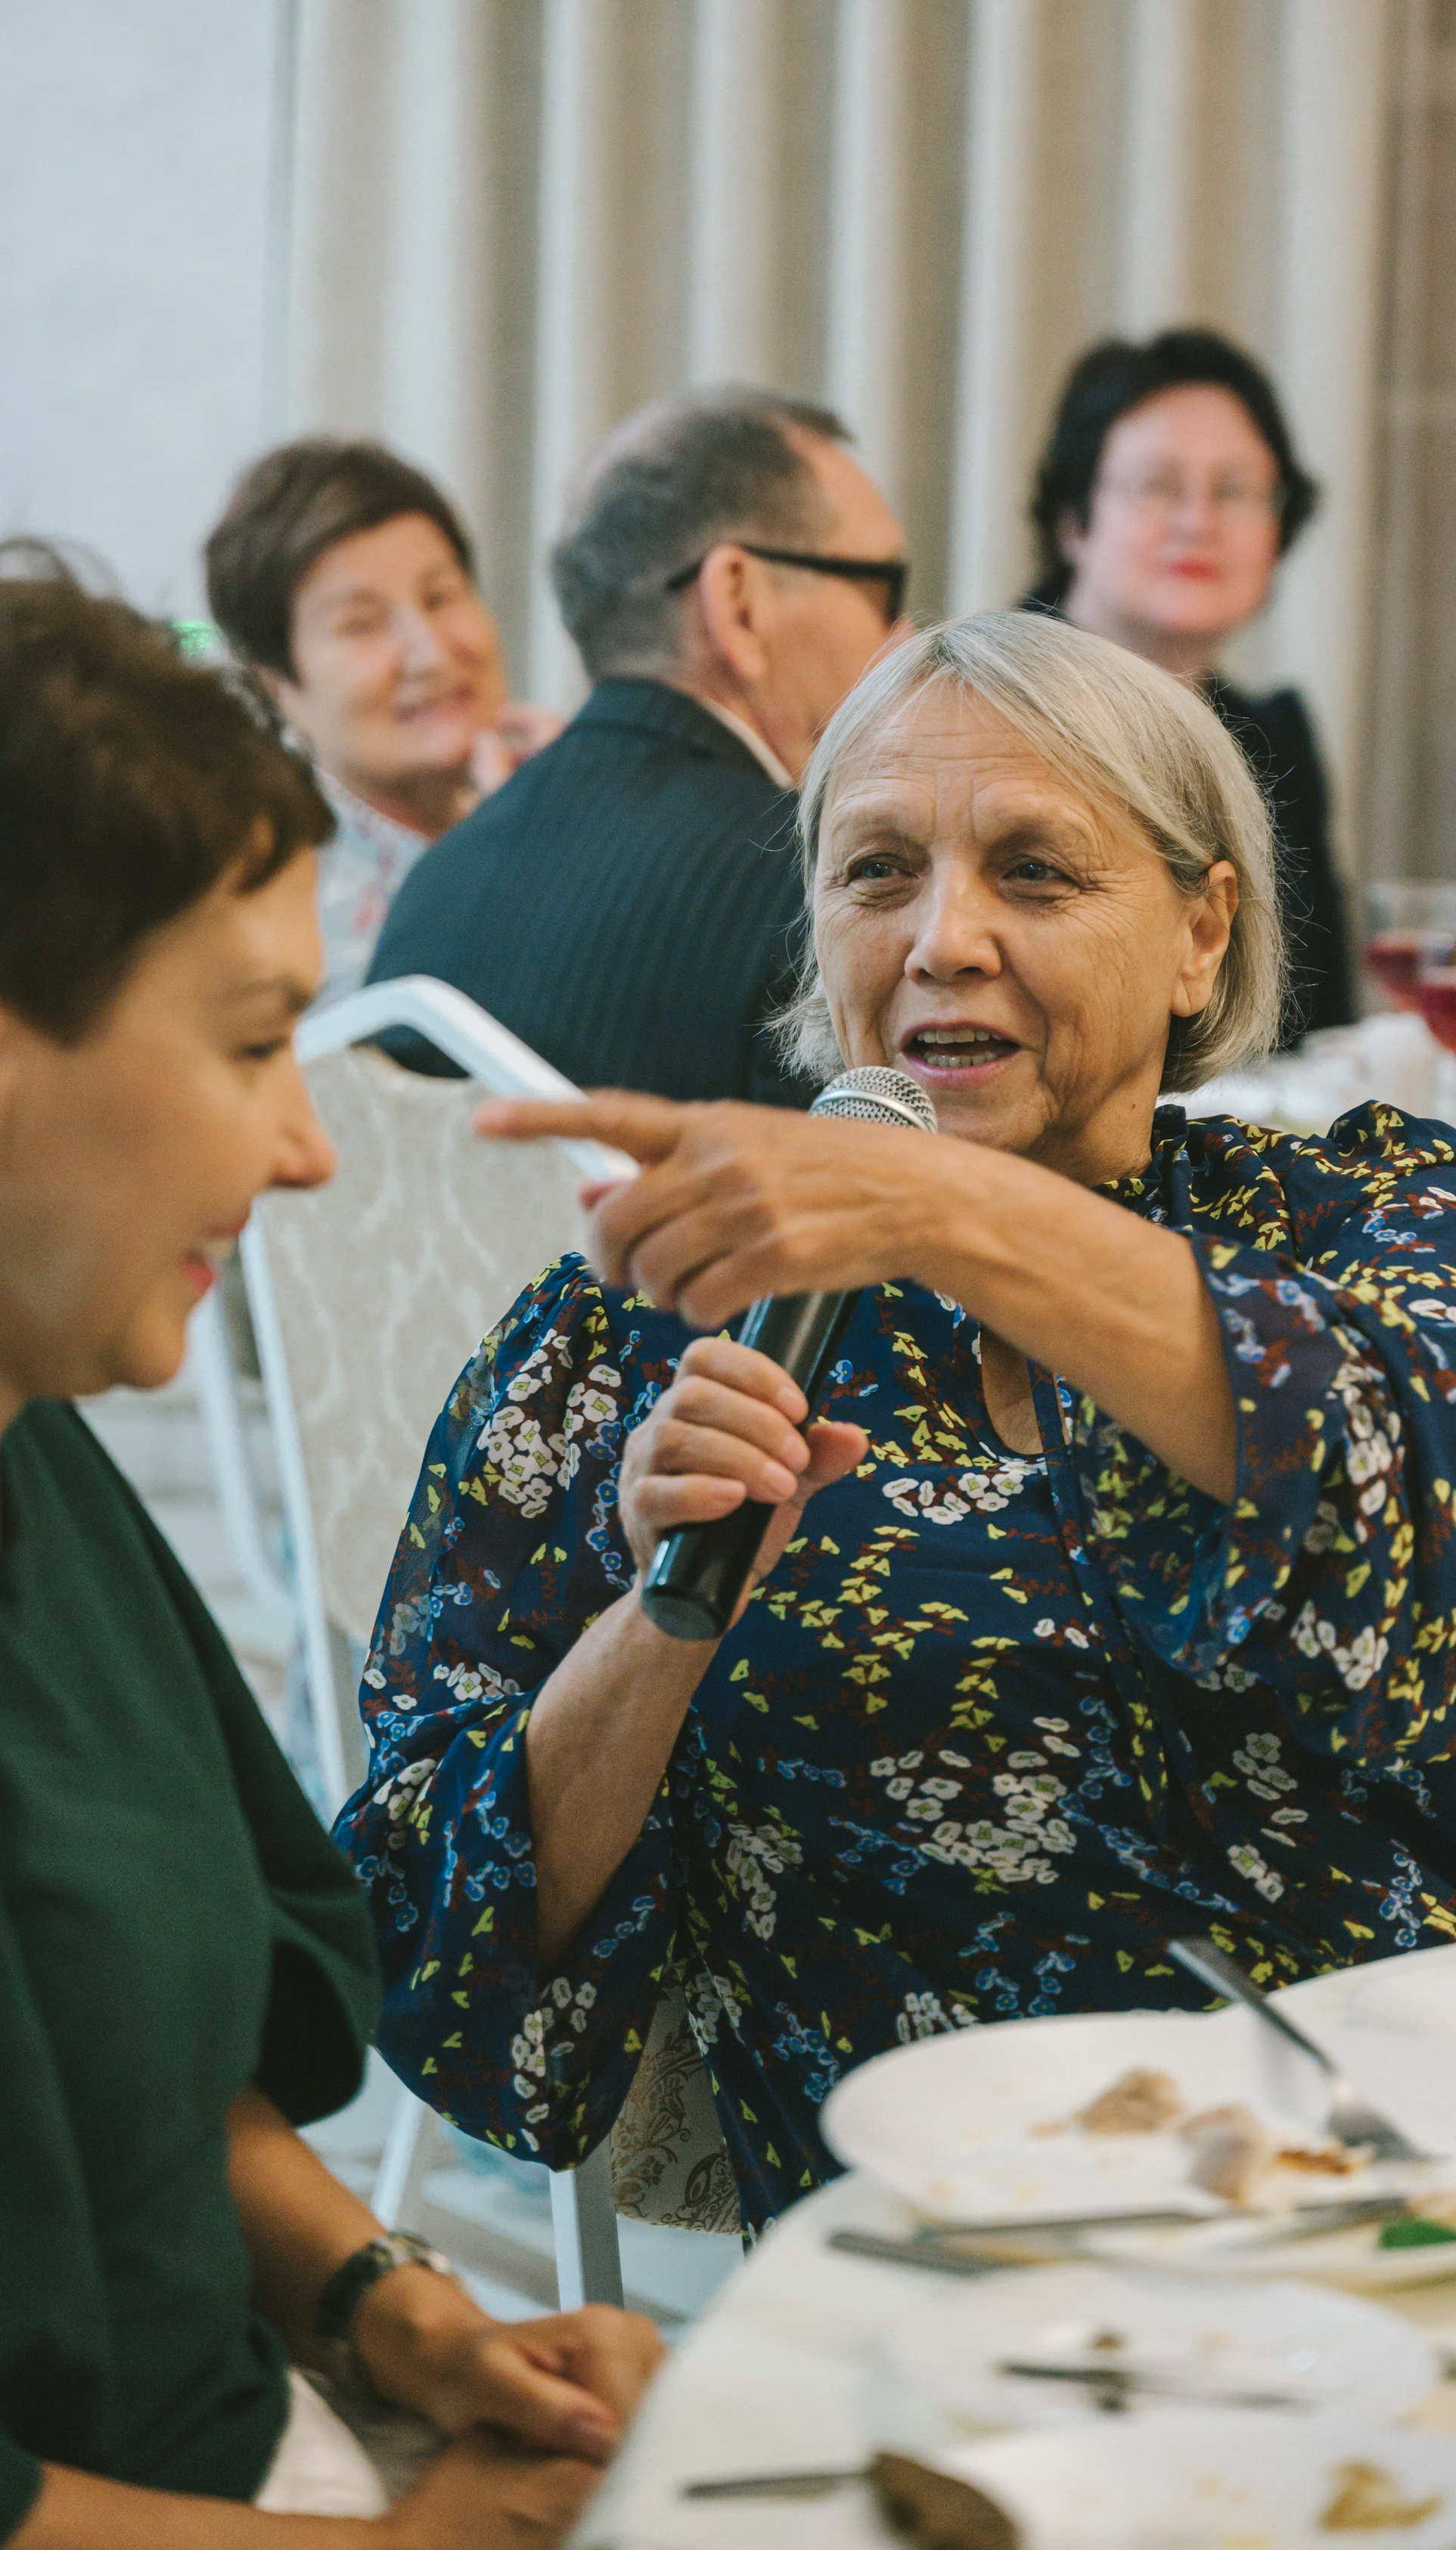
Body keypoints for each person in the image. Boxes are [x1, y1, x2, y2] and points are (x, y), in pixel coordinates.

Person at [339, 609, 1456, 2232]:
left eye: (1034, 871)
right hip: (961, 2229)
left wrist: (941, 1213)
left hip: (1425, 2151)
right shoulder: (645, 1314)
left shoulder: (1348, 1213)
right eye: (876, 872)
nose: (942, 938)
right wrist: (659, 1622)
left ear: (1200, 934)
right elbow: (433, 1949)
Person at [0, 573, 660, 2540]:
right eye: (252, 1041)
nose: (308, 1149)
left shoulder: (40, 1455)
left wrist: (399, 2310)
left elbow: (127, 2074)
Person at [365, 386, 910, 1104]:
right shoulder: (816, 881)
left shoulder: (436, 883)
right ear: (738, 601)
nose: (906, 641)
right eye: (886, 591)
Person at [1027, 326, 1353, 1042]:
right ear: (1074, 521)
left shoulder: (1275, 738)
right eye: (1157, 487)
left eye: (1235, 492)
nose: (1197, 521)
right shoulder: (991, 716)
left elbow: (1320, 1026)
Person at [205, 439, 560, 1006]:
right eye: (362, 625)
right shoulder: (289, 917)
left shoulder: (541, 806)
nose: (432, 653)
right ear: (277, 688)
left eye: (441, 596)